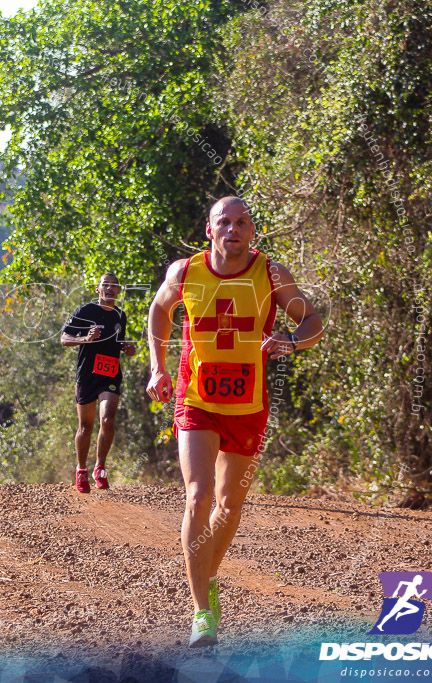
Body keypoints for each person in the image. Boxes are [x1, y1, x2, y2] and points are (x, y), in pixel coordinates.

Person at [146, 196, 323, 647]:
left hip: (248, 405)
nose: (233, 229)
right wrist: (158, 367)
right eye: (224, 222)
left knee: (229, 506)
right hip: (195, 398)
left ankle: (207, 577)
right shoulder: (185, 272)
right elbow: (158, 311)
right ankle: (201, 611)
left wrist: (293, 340)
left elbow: (313, 322)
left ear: (252, 230)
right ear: (210, 230)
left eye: (242, 222)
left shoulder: (271, 274)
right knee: (199, 496)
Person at [60, 272, 136, 493]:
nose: (110, 289)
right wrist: (85, 339)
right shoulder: (86, 311)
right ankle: (81, 470)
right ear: (98, 289)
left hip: (110, 373)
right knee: (86, 427)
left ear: (119, 291)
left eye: (114, 286)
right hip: (86, 375)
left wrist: (127, 348)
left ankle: (100, 468)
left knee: (108, 419)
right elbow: (64, 339)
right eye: (106, 285)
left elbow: (118, 342)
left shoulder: (120, 315)